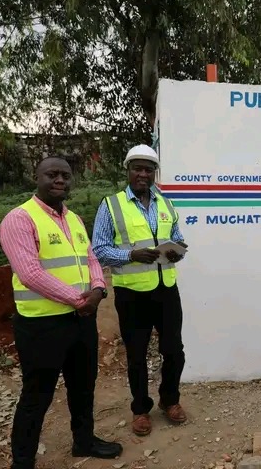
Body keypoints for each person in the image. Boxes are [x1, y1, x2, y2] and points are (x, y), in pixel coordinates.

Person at [0, 156, 123, 469]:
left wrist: (99, 289)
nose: (59, 181)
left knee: (83, 386)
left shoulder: (74, 219)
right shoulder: (19, 219)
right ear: (36, 177)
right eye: (52, 174)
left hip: (81, 320)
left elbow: (91, 258)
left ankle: (84, 441)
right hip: (42, 326)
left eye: (65, 176)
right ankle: (22, 461)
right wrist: (79, 299)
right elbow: (29, 273)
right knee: (36, 396)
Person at [92, 144, 188, 437]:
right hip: (132, 294)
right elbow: (99, 249)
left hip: (166, 289)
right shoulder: (111, 205)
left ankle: (169, 400)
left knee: (174, 351)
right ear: (128, 170)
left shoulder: (166, 204)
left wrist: (177, 250)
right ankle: (140, 409)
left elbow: (177, 237)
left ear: (154, 172)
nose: (143, 174)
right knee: (136, 355)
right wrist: (130, 255)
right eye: (138, 168)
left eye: (148, 169)